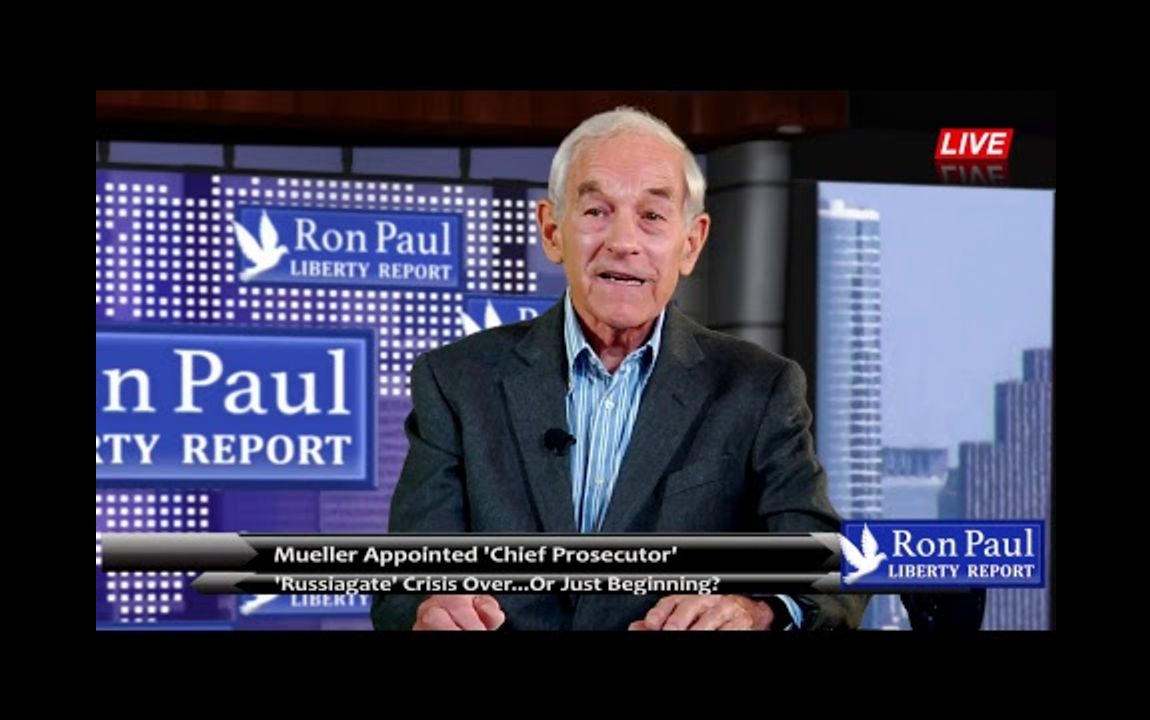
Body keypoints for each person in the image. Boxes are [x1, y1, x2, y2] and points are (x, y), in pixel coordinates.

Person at [371, 107, 868, 630]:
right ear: (551, 230)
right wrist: (428, 607)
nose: (623, 242)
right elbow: (404, 582)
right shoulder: (456, 380)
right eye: (596, 211)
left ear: (691, 243)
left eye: (652, 216)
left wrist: (759, 610)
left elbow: (832, 569)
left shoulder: (758, 388)